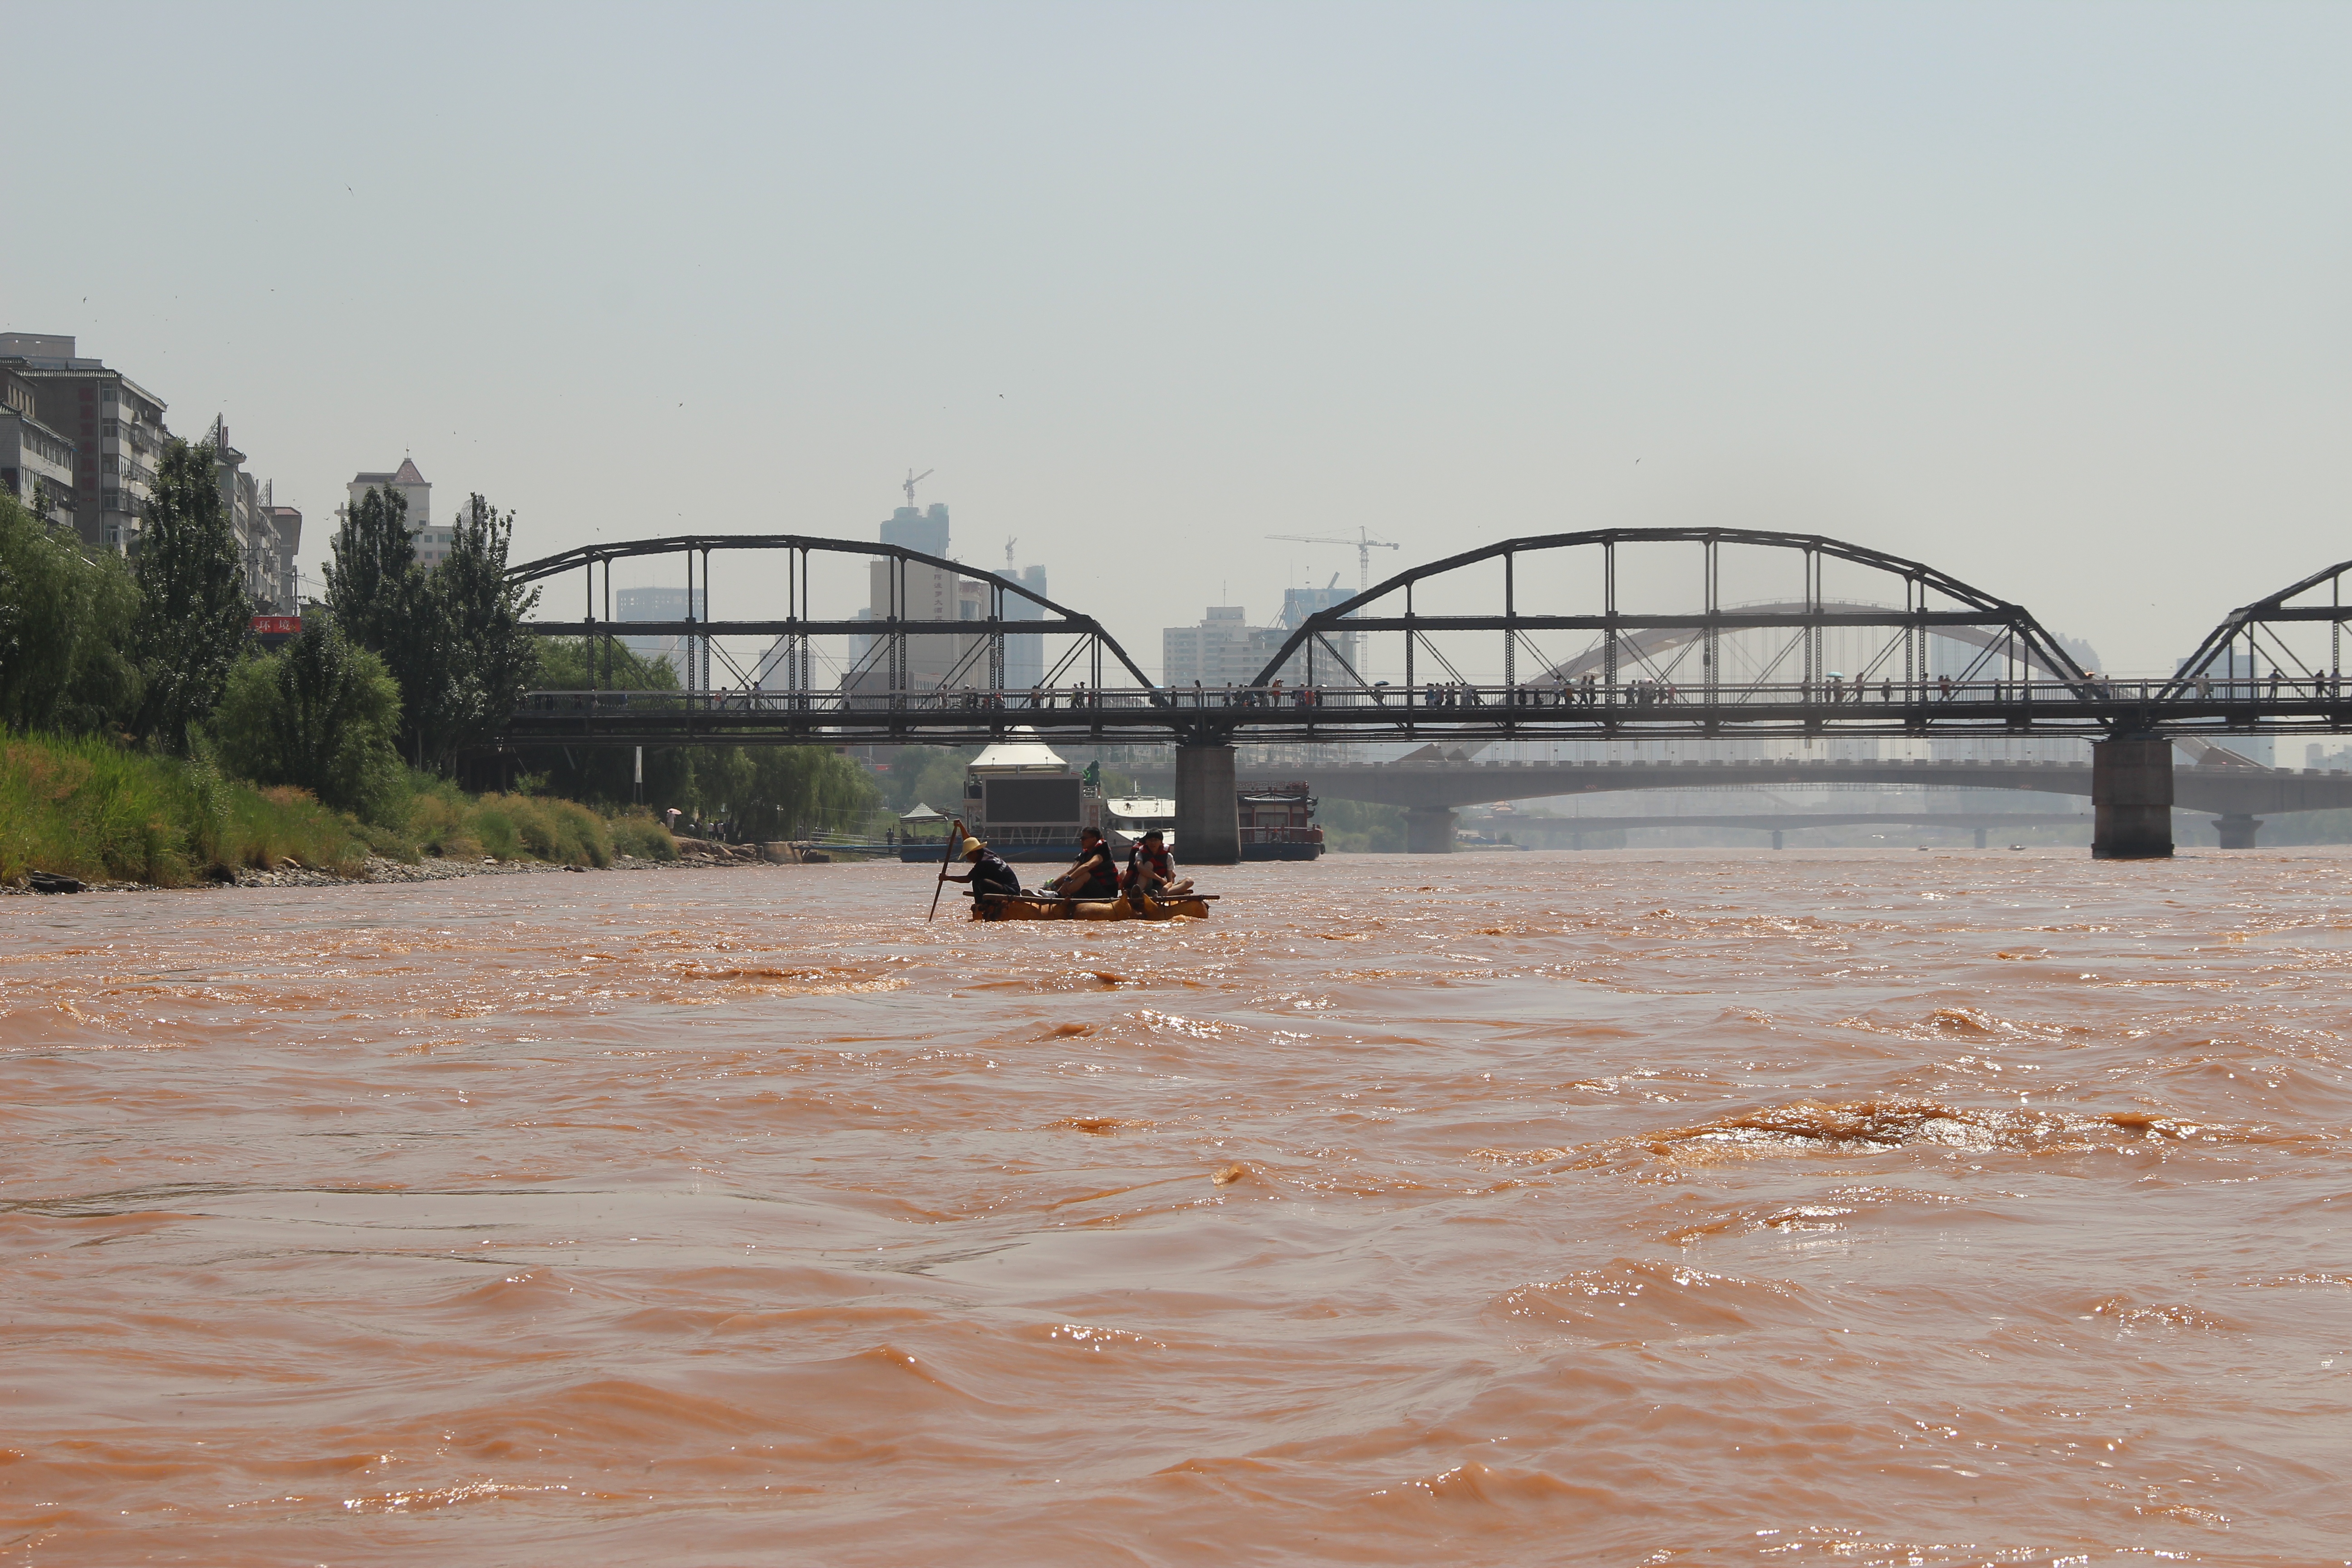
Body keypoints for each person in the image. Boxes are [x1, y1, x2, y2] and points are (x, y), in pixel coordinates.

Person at [1121, 828, 1194, 903]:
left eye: (1156, 840)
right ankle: (1138, 894)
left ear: (1161, 842)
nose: (1153, 843)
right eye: (1150, 840)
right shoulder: (1140, 854)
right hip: (1146, 885)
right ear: (1146, 842)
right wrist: (1160, 879)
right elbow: (1141, 869)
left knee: (1190, 881)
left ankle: (1158, 894)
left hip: (1160, 887)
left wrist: (1166, 887)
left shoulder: (1168, 856)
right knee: (1148, 865)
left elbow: (1169, 881)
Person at [1046, 827, 1120, 899]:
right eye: (1081, 839)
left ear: (1094, 839)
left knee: (1085, 875)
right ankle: (1051, 892)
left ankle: (1058, 896)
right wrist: (1052, 885)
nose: (1081, 841)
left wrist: (1069, 879)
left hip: (1107, 892)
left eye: (1084, 839)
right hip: (1091, 889)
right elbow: (1071, 872)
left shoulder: (1103, 850)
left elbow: (1087, 866)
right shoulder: (1085, 854)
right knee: (1070, 878)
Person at [942, 836, 1022, 901]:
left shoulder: (983, 863)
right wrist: (961, 826)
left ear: (974, 853)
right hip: (1009, 887)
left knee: (981, 882)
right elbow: (971, 840)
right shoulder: (987, 852)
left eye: (968, 856)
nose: (968, 859)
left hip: (1011, 891)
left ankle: (981, 907)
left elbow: (967, 879)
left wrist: (947, 878)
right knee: (977, 879)